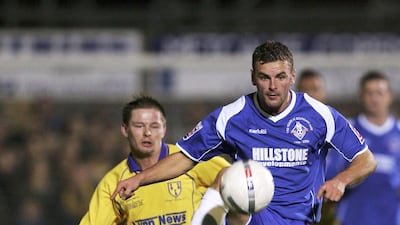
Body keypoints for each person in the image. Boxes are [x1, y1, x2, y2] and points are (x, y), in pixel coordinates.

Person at [112, 40, 377, 225]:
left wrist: (341, 180)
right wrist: (140, 179)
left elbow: (367, 160)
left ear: (292, 76)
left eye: (280, 77)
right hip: (251, 214)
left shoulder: (319, 115)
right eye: (264, 77)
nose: (273, 86)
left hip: (298, 219)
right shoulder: (232, 116)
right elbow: (186, 156)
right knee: (228, 174)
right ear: (253, 77)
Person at [79, 95, 230, 225]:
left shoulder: (189, 159)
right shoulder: (114, 182)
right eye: (139, 126)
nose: (147, 133)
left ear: (164, 129)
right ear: (125, 130)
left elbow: (238, 179)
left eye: (154, 126)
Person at [326, 71, 400, 225]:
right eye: (369, 93)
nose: (374, 98)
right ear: (360, 96)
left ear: (389, 96)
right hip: (351, 219)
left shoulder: (398, 132)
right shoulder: (345, 131)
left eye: (379, 93)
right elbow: (330, 173)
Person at [297, 68, 339, 225]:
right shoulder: (283, 131)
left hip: (331, 216)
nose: (311, 96)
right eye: (305, 90)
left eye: (315, 89)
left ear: (324, 93)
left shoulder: (340, 132)